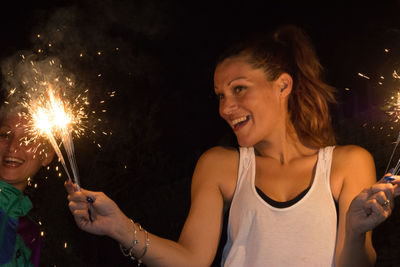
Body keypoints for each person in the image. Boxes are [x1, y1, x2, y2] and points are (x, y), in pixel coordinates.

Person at [65, 25, 400, 266]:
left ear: (282, 85)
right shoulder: (220, 165)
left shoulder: (348, 163)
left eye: (239, 89)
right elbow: (192, 260)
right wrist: (120, 227)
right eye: (221, 95)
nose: (226, 108)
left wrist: (355, 230)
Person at [0, 107, 55, 267]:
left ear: (48, 154)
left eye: (29, 138)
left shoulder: (29, 233)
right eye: (4, 135)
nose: (12, 147)